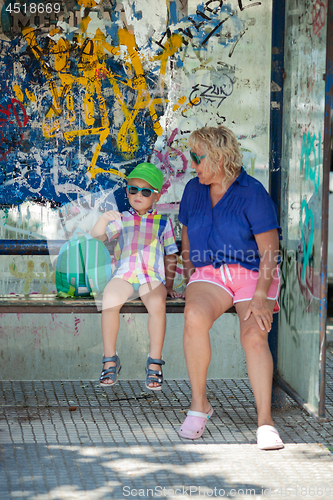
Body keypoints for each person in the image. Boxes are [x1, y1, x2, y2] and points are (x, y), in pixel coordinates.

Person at [177, 126, 284, 450]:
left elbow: (269, 249)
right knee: (194, 315)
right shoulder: (193, 189)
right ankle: (199, 404)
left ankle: (265, 421)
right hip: (210, 273)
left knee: (254, 334)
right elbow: (186, 234)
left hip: (254, 273)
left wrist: (262, 296)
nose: (193, 165)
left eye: (198, 158)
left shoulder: (252, 192)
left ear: (219, 157)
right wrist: (190, 269)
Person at [91, 162, 180, 391]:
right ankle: (110, 358)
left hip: (151, 278)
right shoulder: (121, 219)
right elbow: (98, 237)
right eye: (133, 189)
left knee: (157, 304)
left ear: (156, 196)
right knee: (109, 300)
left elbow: (171, 255)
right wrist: (103, 220)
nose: (138, 195)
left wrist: (168, 286)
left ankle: (154, 361)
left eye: (146, 191)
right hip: (125, 275)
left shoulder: (163, 222)